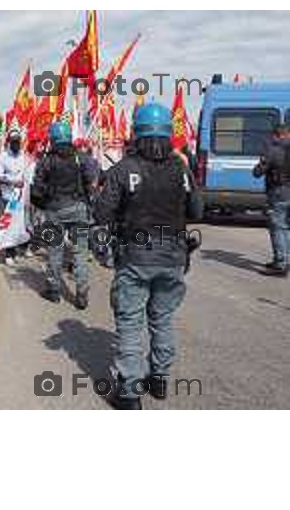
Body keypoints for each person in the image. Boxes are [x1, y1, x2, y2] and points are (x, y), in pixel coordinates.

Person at [95, 103, 203, 410]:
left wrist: (103, 244)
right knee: (162, 319)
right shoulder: (182, 168)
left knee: (130, 322)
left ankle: (129, 393)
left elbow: (101, 213)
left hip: (135, 257)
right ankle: (159, 380)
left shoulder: (122, 170)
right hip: (173, 258)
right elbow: (197, 211)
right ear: (169, 133)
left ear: (135, 132)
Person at [30, 122, 100, 309]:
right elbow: (93, 180)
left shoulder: (46, 162)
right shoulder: (82, 158)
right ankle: (82, 294)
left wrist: (43, 206)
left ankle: (53, 290)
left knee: (54, 251)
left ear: (52, 139)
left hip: (55, 211)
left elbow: (36, 192)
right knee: (80, 253)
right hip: (79, 210)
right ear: (69, 137)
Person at [253, 123, 290, 276]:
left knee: (277, 227)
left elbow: (257, 172)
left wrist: (260, 163)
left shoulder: (273, 150)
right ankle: (285, 260)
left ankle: (280, 264)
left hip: (279, 192)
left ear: (276, 135)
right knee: (285, 226)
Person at [0, 128, 27, 265]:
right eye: (13, 142)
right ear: (9, 142)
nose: (16, 145)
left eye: (18, 142)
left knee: (17, 224)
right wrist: (12, 181)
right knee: (7, 224)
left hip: (19, 198)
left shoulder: (23, 156)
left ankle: (16, 249)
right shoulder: (2, 157)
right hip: (7, 197)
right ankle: (8, 253)